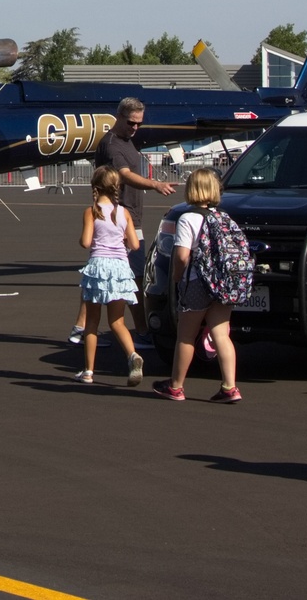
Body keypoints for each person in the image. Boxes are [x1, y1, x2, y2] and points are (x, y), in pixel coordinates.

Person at [82, 98, 174, 343]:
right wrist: (155, 184)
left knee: (125, 278)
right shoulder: (113, 145)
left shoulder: (125, 141)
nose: (135, 128)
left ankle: (83, 327)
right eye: (131, 123)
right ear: (119, 117)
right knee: (132, 278)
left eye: (139, 124)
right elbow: (123, 175)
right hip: (121, 219)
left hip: (127, 217)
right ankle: (140, 331)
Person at [152, 168, 240, 404]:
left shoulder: (188, 218)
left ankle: (176, 386)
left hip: (196, 283)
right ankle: (230, 387)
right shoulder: (223, 217)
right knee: (222, 334)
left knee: (186, 337)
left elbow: (181, 256)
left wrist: (177, 278)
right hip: (223, 284)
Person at [75, 166, 145, 387]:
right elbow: (134, 244)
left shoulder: (91, 211)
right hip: (120, 268)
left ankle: (88, 371)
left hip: (98, 267)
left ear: (95, 186)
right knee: (117, 321)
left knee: (92, 322)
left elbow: (86, 242)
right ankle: (132, 355)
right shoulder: (123, 212)